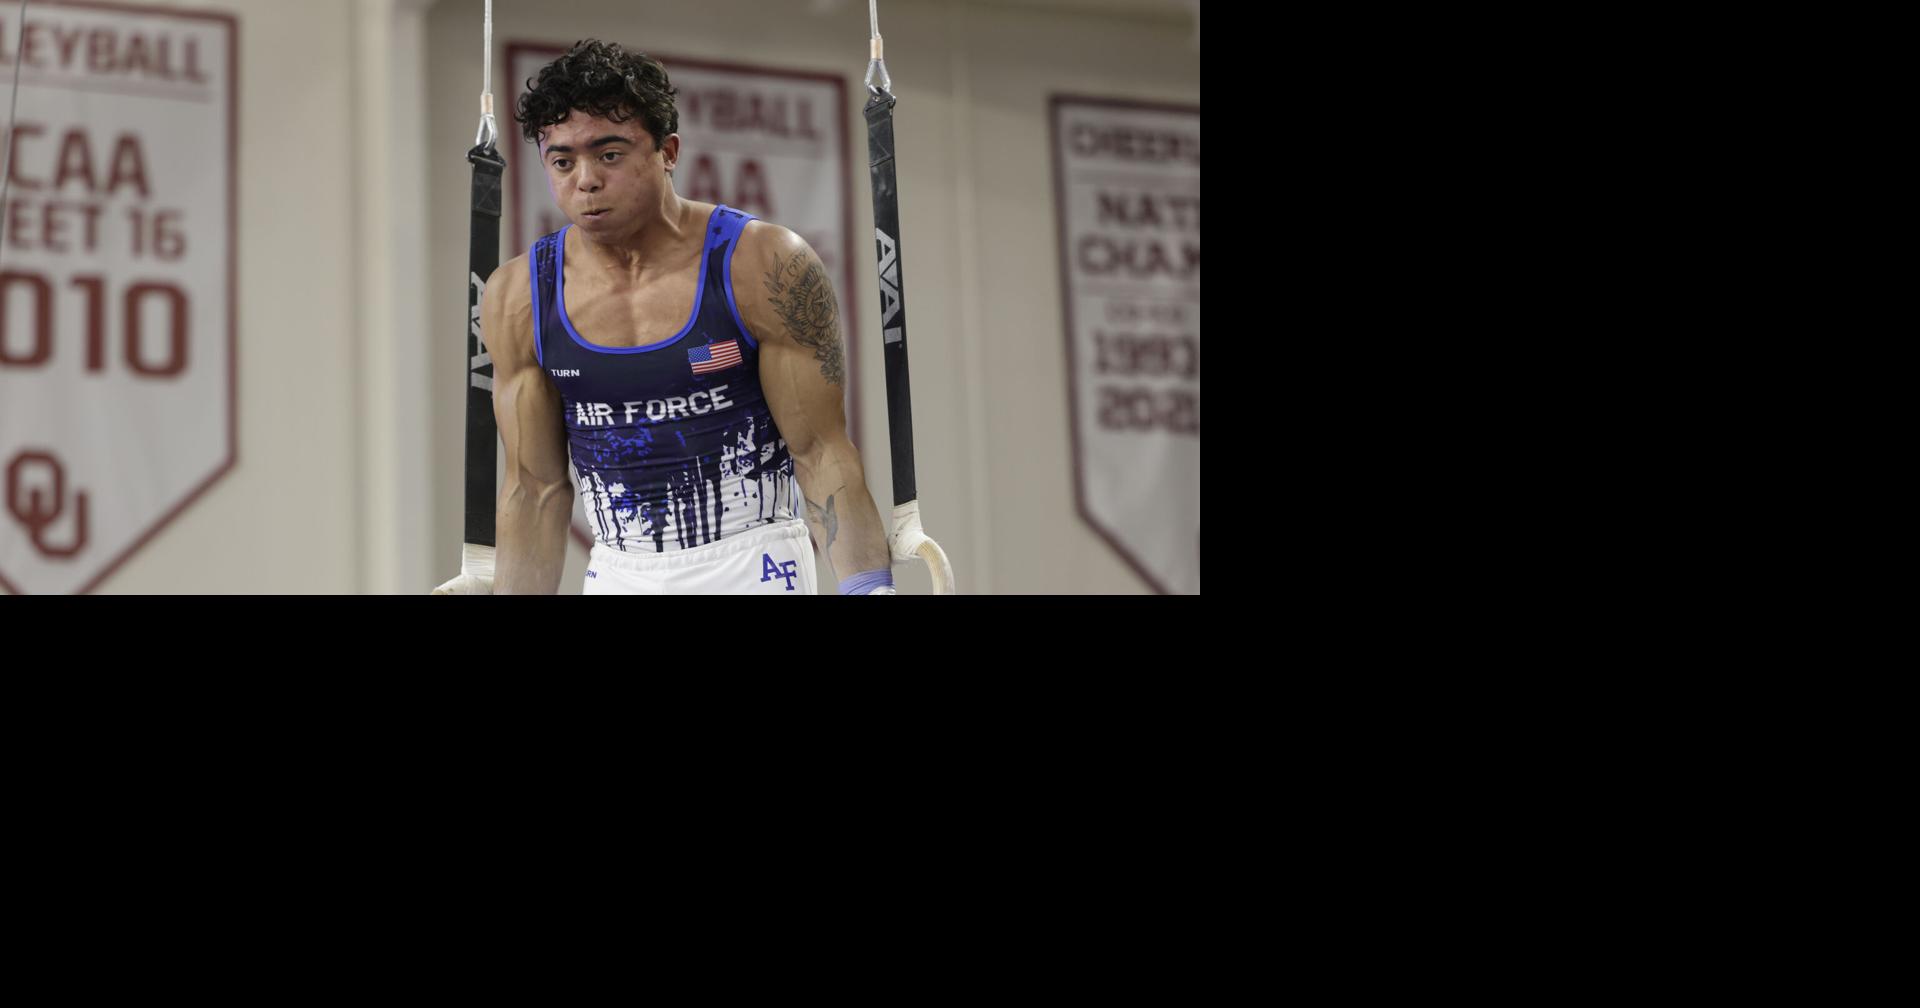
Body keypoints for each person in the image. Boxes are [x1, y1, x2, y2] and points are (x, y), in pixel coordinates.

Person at [436, 39, 893, 595]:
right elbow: (535, 488)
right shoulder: (519, 296)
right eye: (562, 161)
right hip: (620, 571)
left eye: (609, 154)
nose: (585, 180)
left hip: (754, 558)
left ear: (668, 151)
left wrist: (869, 587)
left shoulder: (762, 263)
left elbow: (820, 451)